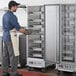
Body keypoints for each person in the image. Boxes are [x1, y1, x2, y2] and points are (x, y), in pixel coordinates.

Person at [2, 1, 27, 76]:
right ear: (12, 7)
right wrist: (27, 32)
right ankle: (14, 73)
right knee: (14, 56)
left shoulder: (5, 15)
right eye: (16, 6)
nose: (17, 8)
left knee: (5, 56)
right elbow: (19, 28)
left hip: (5, 36)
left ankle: (4, 72)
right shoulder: (12, 16)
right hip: (11, 37)